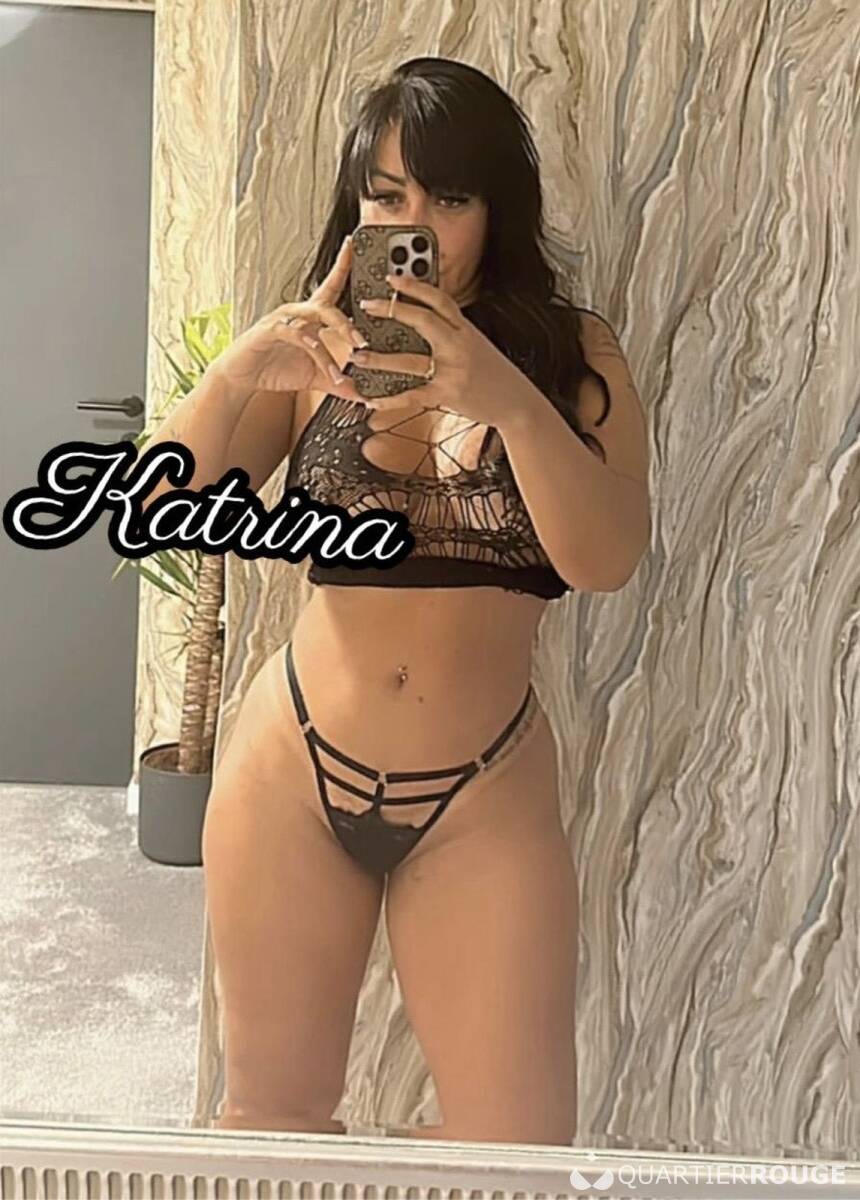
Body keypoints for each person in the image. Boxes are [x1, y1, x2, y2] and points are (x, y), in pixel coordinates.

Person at [145, 57, 649, 1144]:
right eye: (385, 197)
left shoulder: (570, 352)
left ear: (495, 211)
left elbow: (605, 558)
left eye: (447, 198)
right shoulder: (317, 350)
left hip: (482, 792)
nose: (412, 225)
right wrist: (237, 375)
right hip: (292, 771)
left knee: (513, 1147)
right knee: (271, 1121)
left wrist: (509, 402)